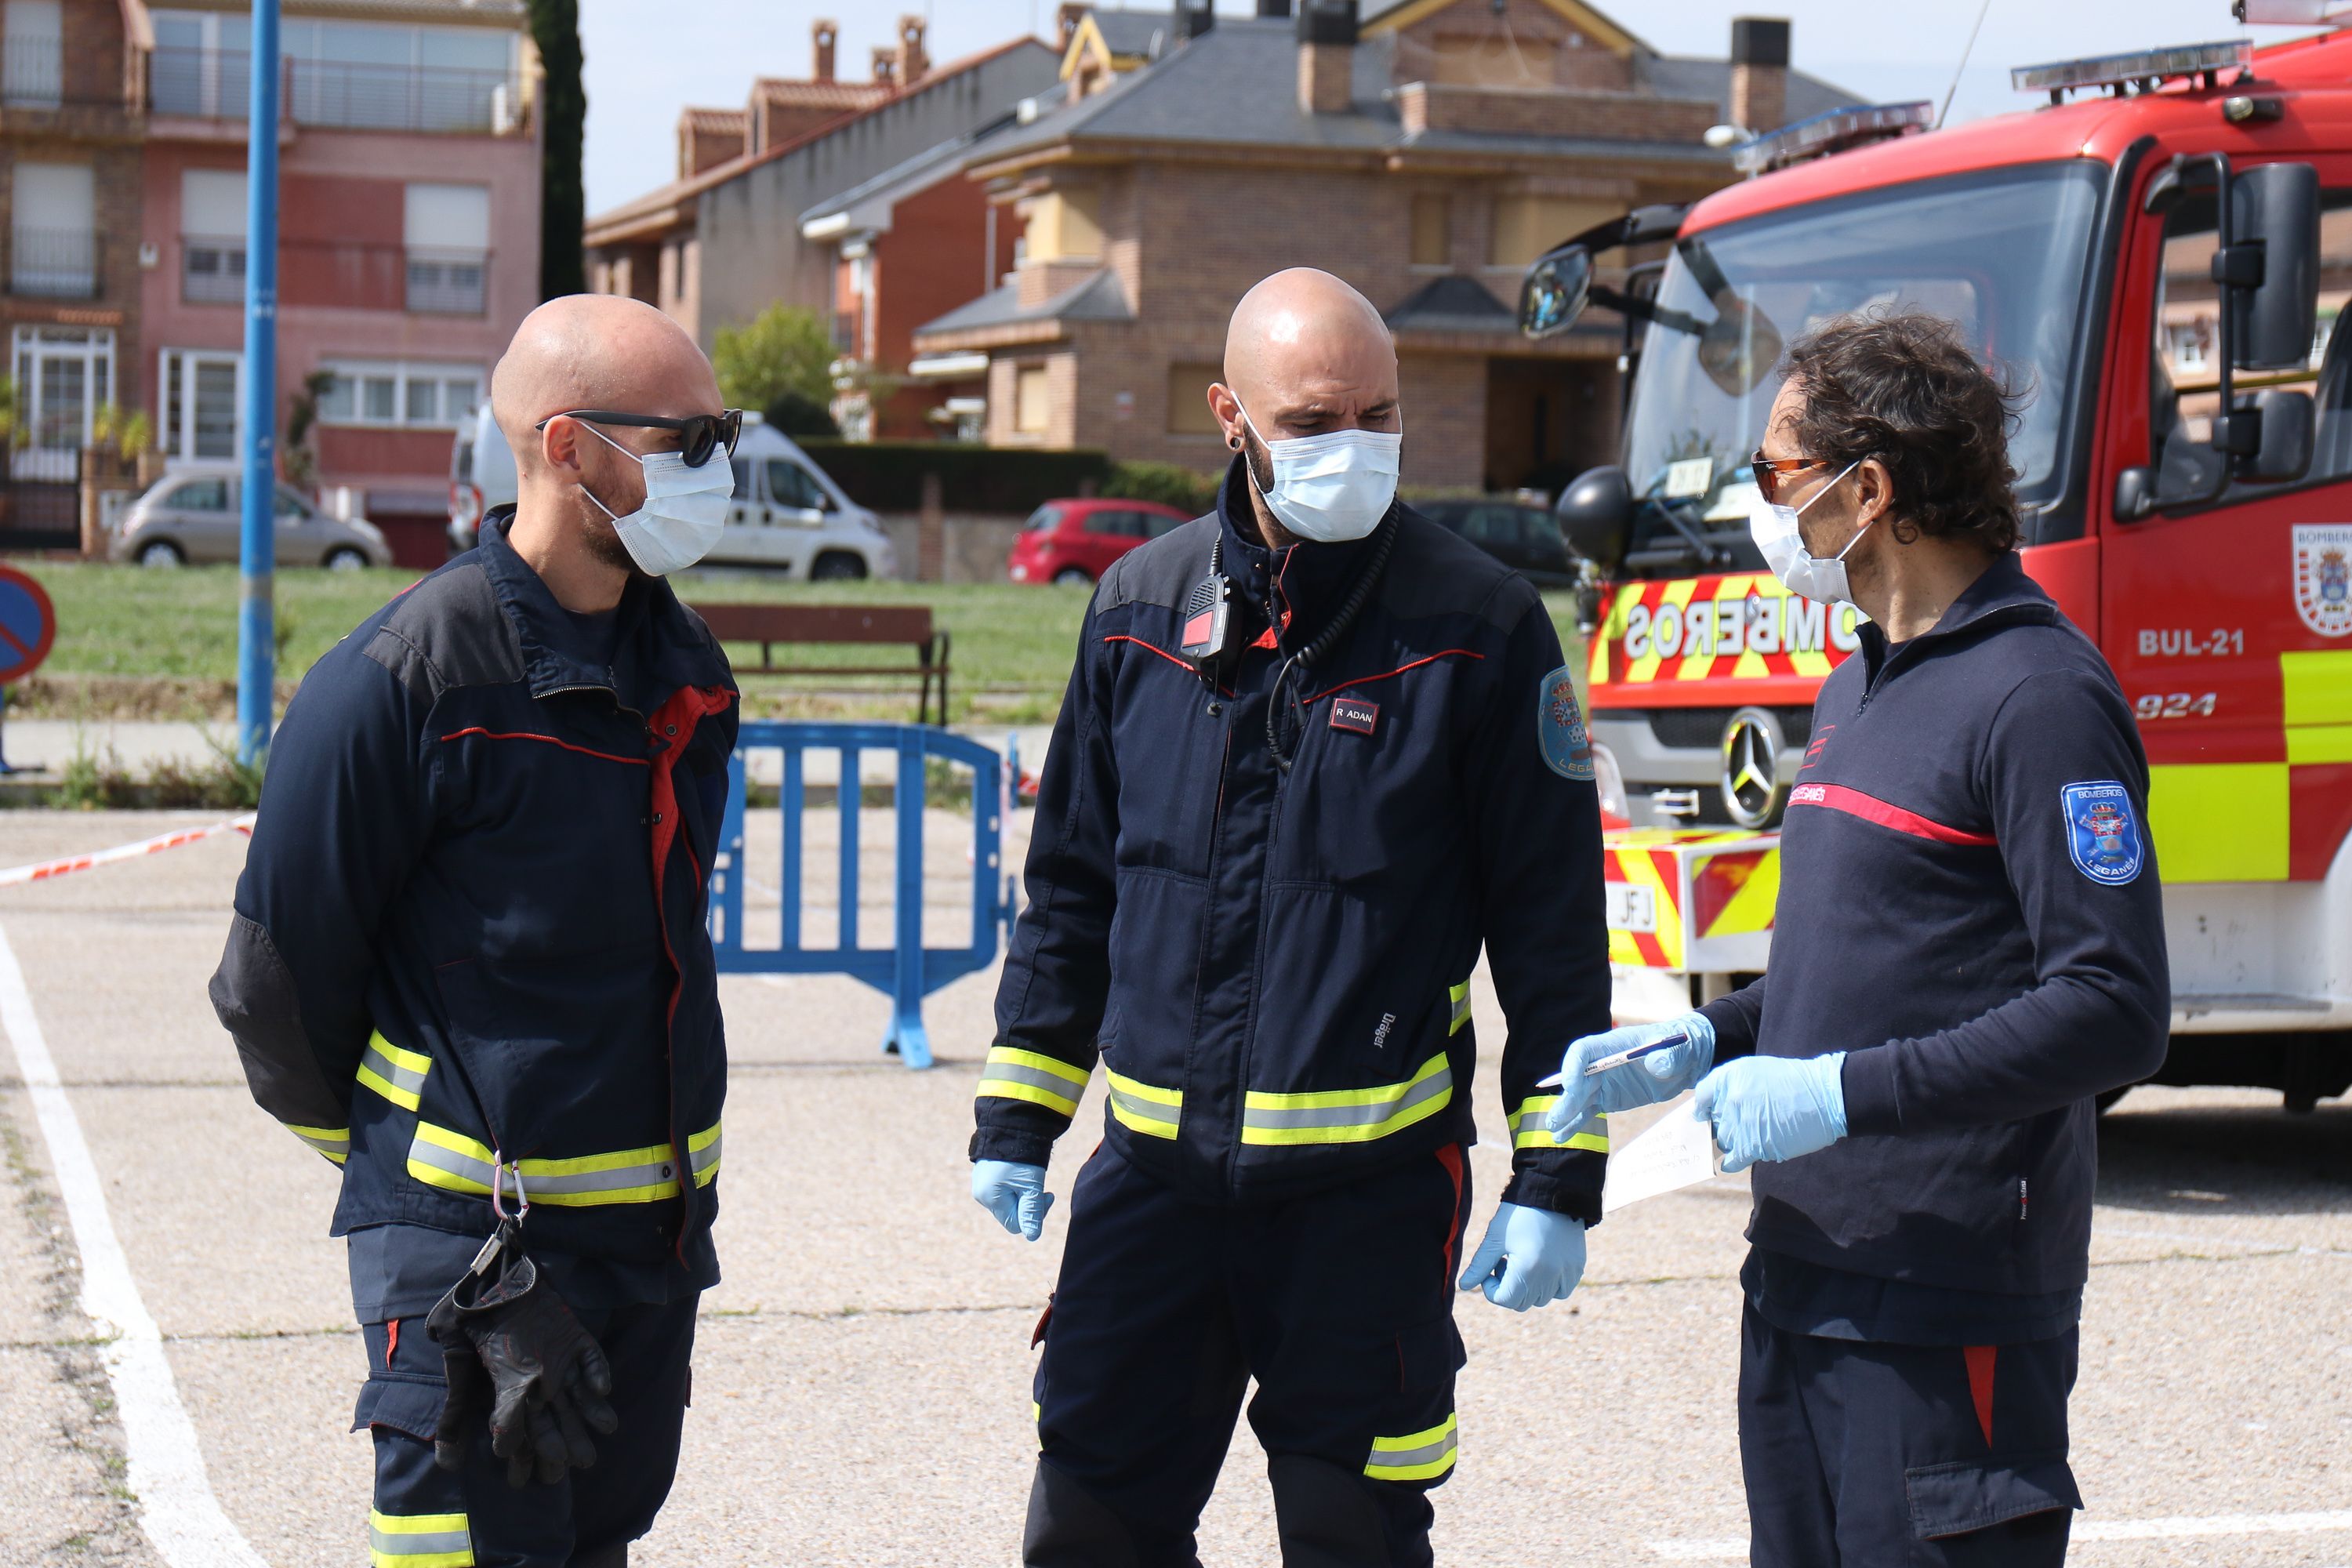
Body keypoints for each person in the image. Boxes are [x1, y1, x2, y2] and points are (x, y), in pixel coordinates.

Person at [967, 268, 1613, 1567]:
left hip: (1366, 1203)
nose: (1355, 447)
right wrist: (1018, 1118)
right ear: (1231, 416)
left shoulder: (1480, 628)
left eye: (1379, 413)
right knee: (1089, 1525)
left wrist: (1558, 1179)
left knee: (1349, 1533)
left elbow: (1551, 933)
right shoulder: (1141, 611)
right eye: (1315, 421)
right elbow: (1074, 887)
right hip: (1152, 1189)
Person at [1550, 310, 2169, 1566]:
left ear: (1869, 490)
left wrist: (1841, 1093)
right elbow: (1873, 956)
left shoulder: (2039, 697)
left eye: (1777, 473)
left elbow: (2114, 1004)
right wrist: (1710, 1037)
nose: (1759, 506)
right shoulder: (1860, 681)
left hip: (1946, 1310)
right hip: (1801, 1278)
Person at [209, 295, 744, 1568]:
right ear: (569, 447)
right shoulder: (400, 681)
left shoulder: (692, 678)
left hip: (649, 1257)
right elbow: (273, 988)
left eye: (727, 434)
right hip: (467, 1273)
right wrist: (416, 1189)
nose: (719, 469)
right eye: (692, 439)